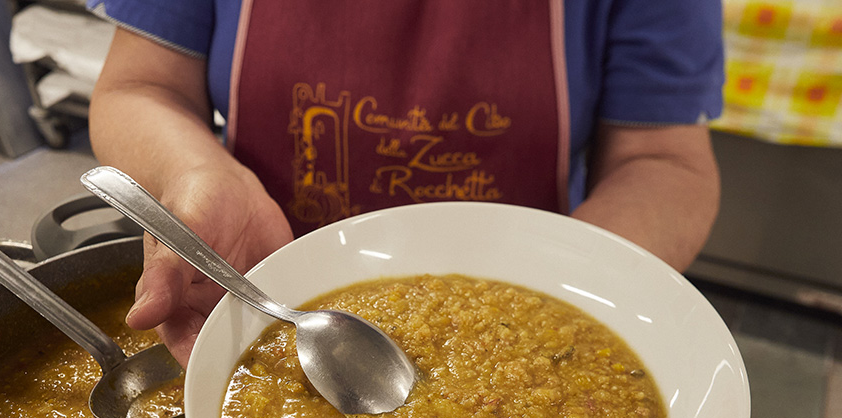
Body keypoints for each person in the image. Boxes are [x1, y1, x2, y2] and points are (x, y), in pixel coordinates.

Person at [87, 0, 724, 366]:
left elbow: (663, 161)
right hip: (261, 292)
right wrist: (198, 173)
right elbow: (142, 86)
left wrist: (556, 298)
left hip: (526, 321)